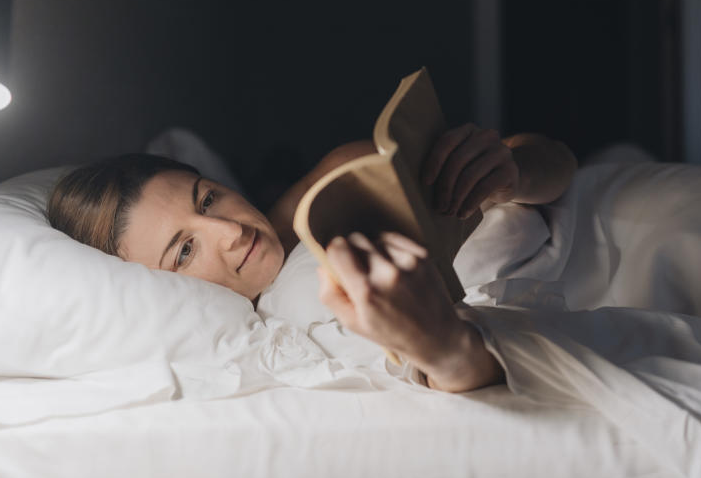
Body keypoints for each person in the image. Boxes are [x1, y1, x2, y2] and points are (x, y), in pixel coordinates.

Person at [47, 124, 578, 393]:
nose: (230, 230)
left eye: (208, 198)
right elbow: (455, 371)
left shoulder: (301, 209)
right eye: (185, 250)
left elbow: (556, 160)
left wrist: (511, 164)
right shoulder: (299, 311)